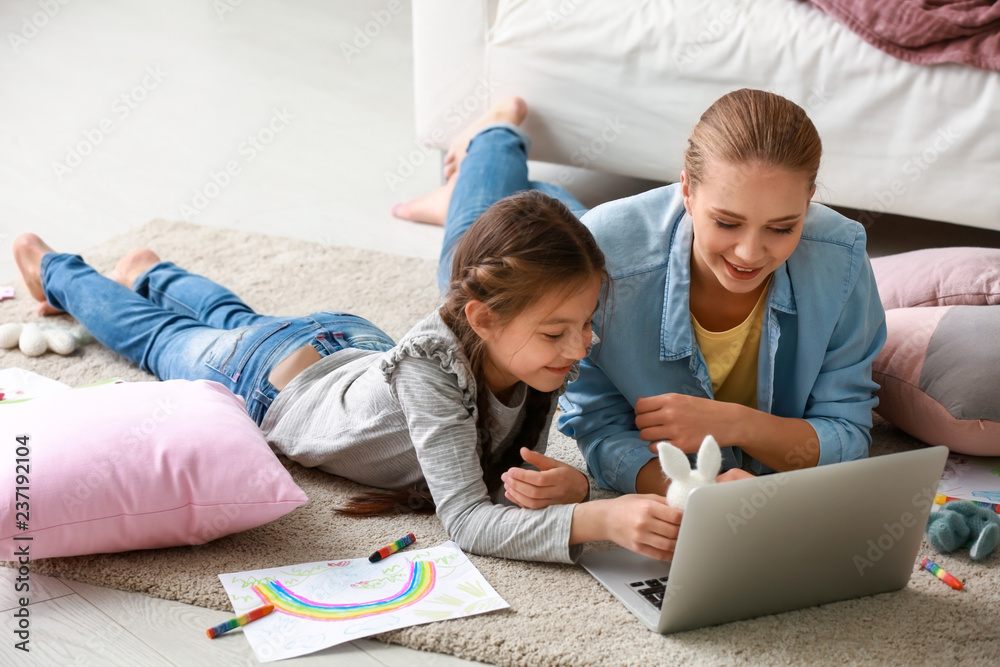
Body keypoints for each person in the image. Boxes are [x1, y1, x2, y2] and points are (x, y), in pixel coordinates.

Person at [12, 101, 683, 563]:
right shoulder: (435, 370)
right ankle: (56, 269)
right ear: (482, 318)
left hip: (349, 348)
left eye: (586, 325)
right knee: (164, 343)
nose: (582, 347)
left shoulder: (529, 355)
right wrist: (596, 515)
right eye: (559, 332)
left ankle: (154, 269)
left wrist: (563, 489)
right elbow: (470, 520)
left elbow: (500, 473)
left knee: (235, 319)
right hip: (273, 379)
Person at [554, 88, 888, 495]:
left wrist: (736, 423)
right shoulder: (605, 255)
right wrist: (691, 491)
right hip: (557, 248)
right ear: (687, 190)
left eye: (782, 228)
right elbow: (598, 424)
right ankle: (492, 140)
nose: (749, 254)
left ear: (809, 202)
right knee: (489, 233)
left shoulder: (842, 258)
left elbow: (848, 436)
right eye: (727, 223)